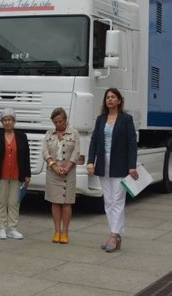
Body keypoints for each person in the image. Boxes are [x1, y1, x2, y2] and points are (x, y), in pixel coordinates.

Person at [87, 88, 138, 253]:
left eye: (113, 97)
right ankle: (115, 235)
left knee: (117, 199)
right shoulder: (101, 119)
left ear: (119, 101)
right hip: (103, 163)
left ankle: (114, 235)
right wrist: (90, 162)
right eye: (107, 97)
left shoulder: (126, 119)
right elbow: (94, 141)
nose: (110, 100)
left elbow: (132, 144)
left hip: (120, 164)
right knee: (108, 201)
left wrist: (132, 166)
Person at [0, 108, 31, 240]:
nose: (7, 122)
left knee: (14, 202)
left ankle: (12, 228)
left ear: (14, 121)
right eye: (5, 120)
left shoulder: (21, 136)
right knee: (1, 202)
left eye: (10, 120)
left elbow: (26, 156)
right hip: (0, 174)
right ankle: (2, 228)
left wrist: (27, 174)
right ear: (2, 122)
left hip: (16, 173)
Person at [42, 107, 80, 245]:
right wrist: (54, 166)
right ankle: (56, 231)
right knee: (55, 202)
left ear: (65, 119)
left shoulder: (74, 133)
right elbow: (45, 152)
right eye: (55, 122)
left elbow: (76, 152)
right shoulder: (49, 134)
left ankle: (65, 232)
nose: (58, 124)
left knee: (67, 202)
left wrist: (67, 167)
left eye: (60, 121)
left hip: (68, 172)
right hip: (53, 172)